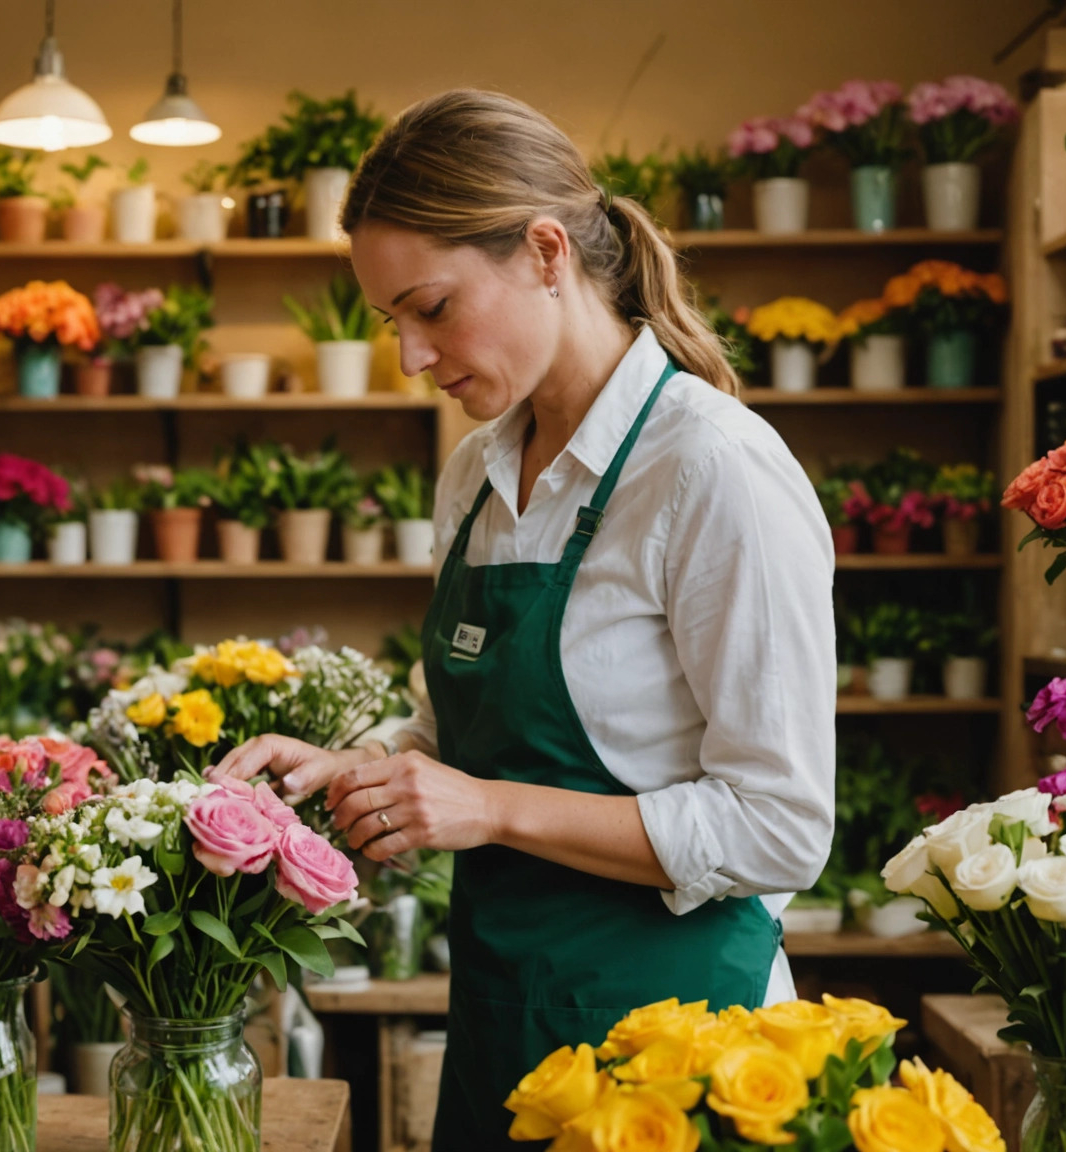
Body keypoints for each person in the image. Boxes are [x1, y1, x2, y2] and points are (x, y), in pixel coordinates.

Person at [213, 89, 835, 1148]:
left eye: (432, 307)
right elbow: (460, 746)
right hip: (506, 1027)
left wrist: (491, 810)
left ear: (547, 251)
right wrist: (355, 770)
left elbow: (780, 826)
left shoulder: (709, 469)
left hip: (682, 1059)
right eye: (390, 321)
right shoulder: (478, 470)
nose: (410, 356)